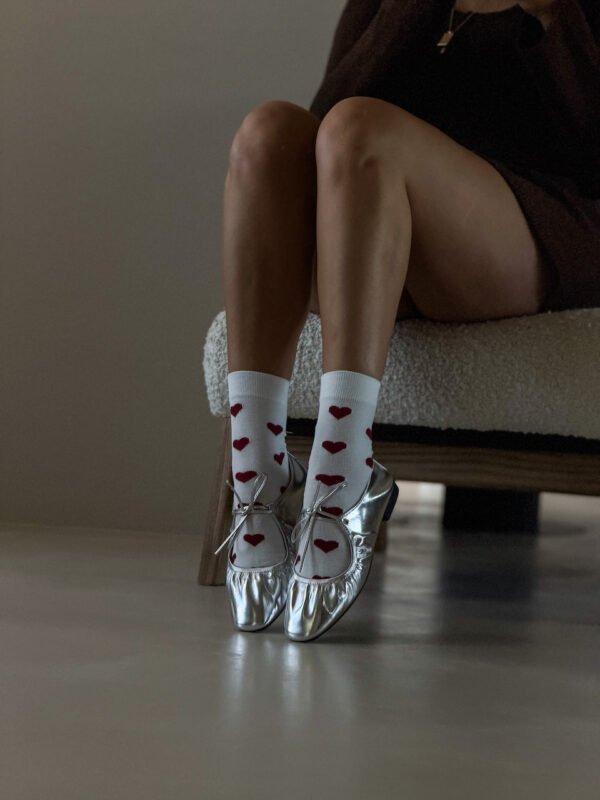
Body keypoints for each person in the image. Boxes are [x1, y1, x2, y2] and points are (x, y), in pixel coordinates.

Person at [215, 0, 600, 641]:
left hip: (542, 225)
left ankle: (343, 478)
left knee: (363, 129)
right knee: (270, 132)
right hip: (384, 225)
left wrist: (552, 20)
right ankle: (259, 476)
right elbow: (329, 121)